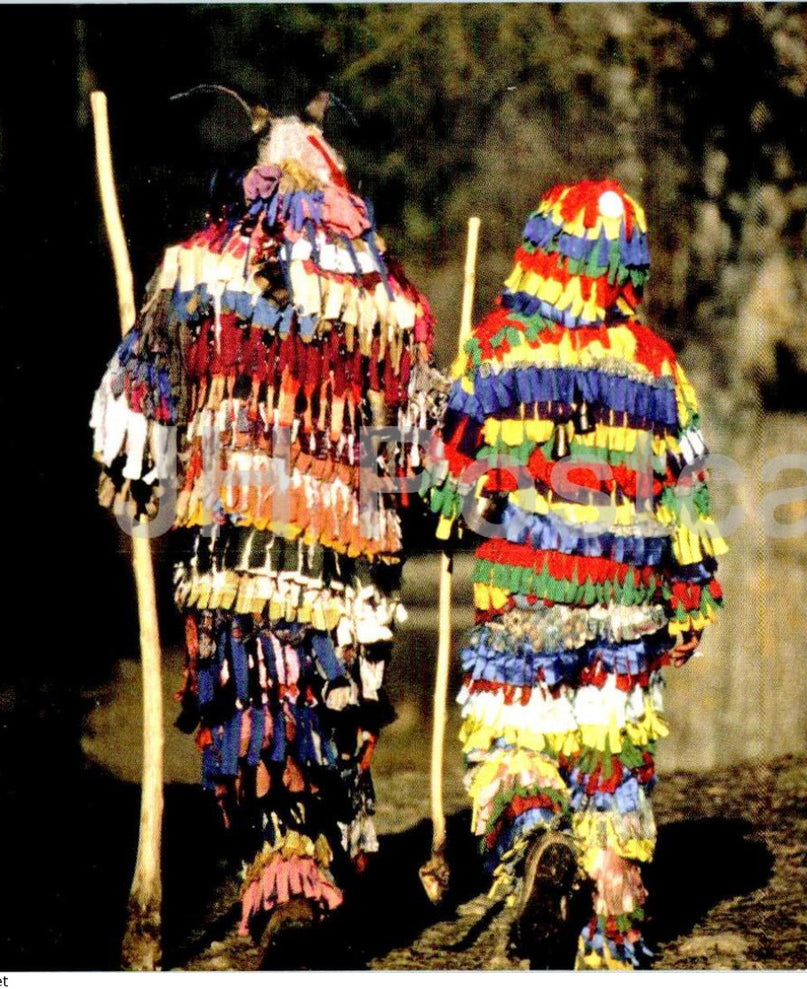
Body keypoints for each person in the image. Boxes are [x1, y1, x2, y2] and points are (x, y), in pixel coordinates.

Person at [89, 108, 440, 939]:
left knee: (253, 700)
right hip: (341, 555)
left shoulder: (196, 266)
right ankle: (301, 868)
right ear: (334, 178)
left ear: (260, 177)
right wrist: (423, 491)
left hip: (231, 541)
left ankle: (284, 869)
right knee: (322, 701)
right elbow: (415, 434)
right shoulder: (383, 291)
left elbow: (141, 395)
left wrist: (135, 463)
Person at [424, 179, 728, 969]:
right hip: (628, 608)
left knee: (514, 745)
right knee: (610, 764)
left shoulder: (494, 347)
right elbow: (687, 492)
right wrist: (690, 596)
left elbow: (439, 481)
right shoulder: (657, 366)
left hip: (526, 597)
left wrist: (464, 494)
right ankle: (609, 927)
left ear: (541, 250)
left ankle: (534, 848)